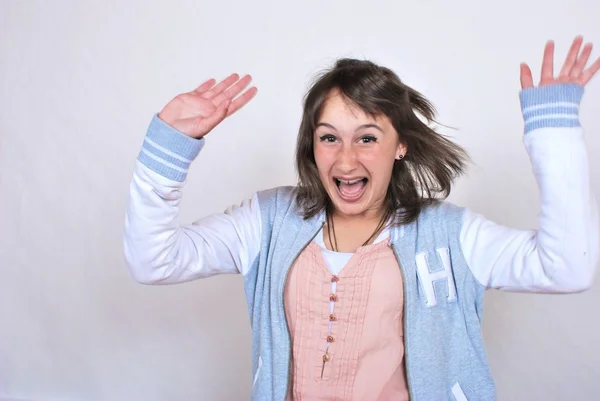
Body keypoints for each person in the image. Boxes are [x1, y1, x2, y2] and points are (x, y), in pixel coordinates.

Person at [123, 36, 600, 401]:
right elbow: (154, 262)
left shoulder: (450, 235)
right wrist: (168, 146)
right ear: (312, 144)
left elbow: (566, 269)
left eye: (367, 138)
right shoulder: (266, 222)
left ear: (401, 145)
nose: (346, 160)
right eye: (329, 137)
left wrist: (554, 137)